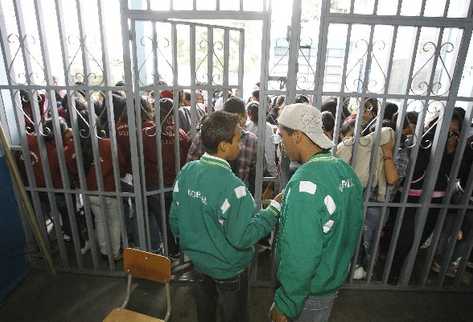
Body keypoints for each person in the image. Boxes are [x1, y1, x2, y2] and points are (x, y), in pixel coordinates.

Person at [170, 111, 282, 322]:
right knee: (234, 316)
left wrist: (196, 240)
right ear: (223, 145)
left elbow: (175, 220)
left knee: (205, 312)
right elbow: (242, 237)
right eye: (238, 140)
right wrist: (273, 210)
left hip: (198, 264)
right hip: (228, 270)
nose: (240, 145)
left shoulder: (187, 171)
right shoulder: (234, 188)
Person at [270, 103, 363, 322]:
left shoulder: (305, 184)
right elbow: (352, 226)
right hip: (330, 280)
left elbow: (300, 255)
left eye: (282, 136)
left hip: (306, 292)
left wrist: (286, 303)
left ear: (298, 137)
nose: (281, 144)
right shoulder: (344, 171)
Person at [187, 97, 257, 190]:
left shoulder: (203, 134)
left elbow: (191, 166)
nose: (239, 146)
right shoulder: (251, 140)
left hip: (208, 194)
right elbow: (255, 174)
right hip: (232, 196)